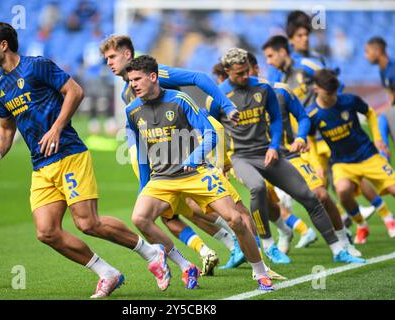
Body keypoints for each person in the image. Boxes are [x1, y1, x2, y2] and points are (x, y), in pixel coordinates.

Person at [0, 22, 171, 299]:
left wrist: (56, 127)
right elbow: (6, 129)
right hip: (40, 165)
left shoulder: (37, 66)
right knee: (46, 232)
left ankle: (152, 253)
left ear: (3, 45)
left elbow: (75, 91)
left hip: (68, 153)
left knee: (87, 223)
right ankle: (107, 273)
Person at [99, 34, 251, 275]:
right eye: (106, 58)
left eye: (111, 56)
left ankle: (260, 254)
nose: (108, 62)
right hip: (159, 154)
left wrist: (228, 106)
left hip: (194, 143)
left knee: (227, 204)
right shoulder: (127, 94)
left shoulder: (155, 73)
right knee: (176, 212)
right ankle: (228, 246)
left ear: (127, 55)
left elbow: (198, 78)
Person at [125, 54, 274, 291]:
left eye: (137, 79)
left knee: (235, 219)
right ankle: (185, 265)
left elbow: (211, 134)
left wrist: (194, 158)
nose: (132, 84)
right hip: (162, 179)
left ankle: (261, 273)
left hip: (197, 174)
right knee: (139, 218)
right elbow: (142, 152)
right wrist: (145, 186)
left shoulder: (180, 100)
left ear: (153, 77)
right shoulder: (132, 110)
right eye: (130, 80)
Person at [207, 48, 365, 264]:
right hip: (241, 157)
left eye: (247, 71)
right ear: (227, 71)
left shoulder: (263, 88)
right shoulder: (217, 96)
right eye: (239, 74)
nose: (245, 77)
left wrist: (273, 146)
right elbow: (212, 129)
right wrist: (220, 163)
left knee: (311, 197)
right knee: (258, 187)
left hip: (270, 153)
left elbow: (277, 119)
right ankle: (270, 246)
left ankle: (339, 250)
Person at [263, 35, 390, 240]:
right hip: (306, 137)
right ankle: (349, 222)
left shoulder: (306, 65)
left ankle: (379, 216)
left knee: (343, 174)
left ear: (282, 51)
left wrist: (332, 109)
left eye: (270, 56)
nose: (268, 61)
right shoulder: (282, 80)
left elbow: (331, 82)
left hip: (326, 131)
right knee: (324, 185)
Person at [246, 51, 360, 256]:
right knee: (264, 200)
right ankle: (282, 233)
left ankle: (343, 242)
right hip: (258, 158)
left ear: (256, 69)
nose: (244, 77)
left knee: (321, 194)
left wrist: (300, 137)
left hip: (287, 155)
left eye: (247, 71)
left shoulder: (280, 91)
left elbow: (303, 116)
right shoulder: (233, 99)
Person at [308, 69, 395, 240]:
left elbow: (370, 112)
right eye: (328, 93)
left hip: (367, 155)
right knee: (342, 191)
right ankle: (361, 225)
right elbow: (310, 139)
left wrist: (377, 138)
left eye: (334, 92)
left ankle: (388, 218)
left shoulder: (349, 100)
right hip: (342, 162)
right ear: (316, 89)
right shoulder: (313, 114)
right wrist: (318, 166)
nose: (332, 97)